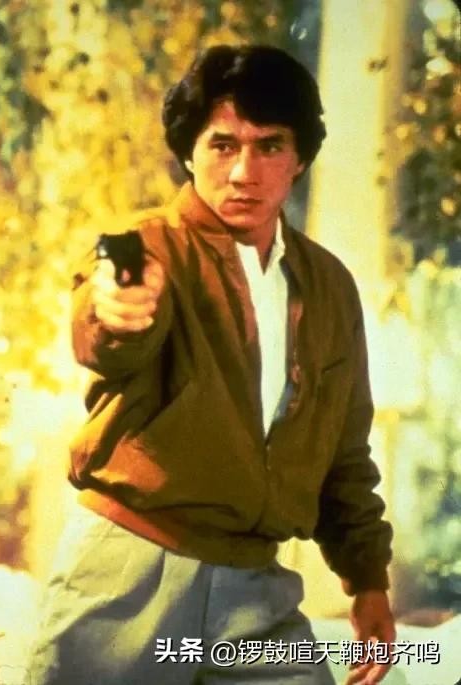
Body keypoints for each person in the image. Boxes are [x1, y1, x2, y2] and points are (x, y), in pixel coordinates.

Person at [25, 45, 394, 685]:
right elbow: (102, 328)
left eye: (269, 146)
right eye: (223, 145)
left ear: (300, 158)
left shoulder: (330, 286)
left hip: (256, 585)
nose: (244, 171)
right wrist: (115, 312)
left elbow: (345, 449)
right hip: (128, 572)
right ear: (190, 153)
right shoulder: (148, 246)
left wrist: (367, 579)